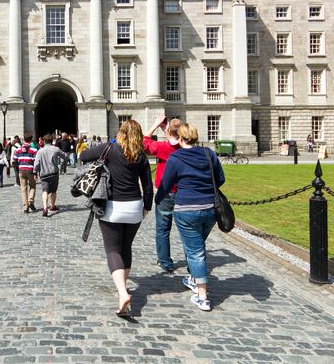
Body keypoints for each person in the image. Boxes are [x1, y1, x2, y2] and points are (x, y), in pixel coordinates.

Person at [79, 119, 153, 317]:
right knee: (126, 246)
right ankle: (123, 286)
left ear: (120, 132)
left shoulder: (109, 149)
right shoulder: (141, 155)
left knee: (112, 249)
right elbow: (147, 185)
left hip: (112, 206)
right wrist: (147, 207)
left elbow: (83, 156)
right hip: (134, 207)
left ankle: (122, 292)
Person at [155, 122, 225, 312]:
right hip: (210, 209)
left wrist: (157, 200)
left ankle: (202, 296)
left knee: (196, 251)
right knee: (197, 246)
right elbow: (220, 179)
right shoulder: (209, 153)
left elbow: (166, 184)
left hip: (187, 209)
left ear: (179, 138)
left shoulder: (176, 157)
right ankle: (194, 277)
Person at [144, 115, 182, 273]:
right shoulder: (186, 147)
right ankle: (193, 261)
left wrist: (154, 125)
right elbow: (176, 140)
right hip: (183, 194)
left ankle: (165, 262)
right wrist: (167, 130)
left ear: (169, 133)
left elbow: (144, 142)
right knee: (187, 231)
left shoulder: (163, 148)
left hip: (165, 193)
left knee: (163, 229)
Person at [33, 134, 67, 217]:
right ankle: (52, 206)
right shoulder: (56, 149)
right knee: (53, 191)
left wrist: (35, 172)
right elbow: (65, 156)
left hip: (44, 174)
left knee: (45, 191)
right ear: (52, 141)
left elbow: (36, 163)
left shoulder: (40, 151)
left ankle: (45, 208)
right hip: (54, 173)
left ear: (44, 141)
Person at [15, 135, 39, 213]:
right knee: (32, 186)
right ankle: (31, 200)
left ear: (23, 140)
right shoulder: (33, 150)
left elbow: (15, 159)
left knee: (23, 188)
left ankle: (25, 207)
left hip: (21, 169)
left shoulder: (18, 149)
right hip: (30, 170)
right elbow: (36, 161)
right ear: (31, 140)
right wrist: (36, 172)